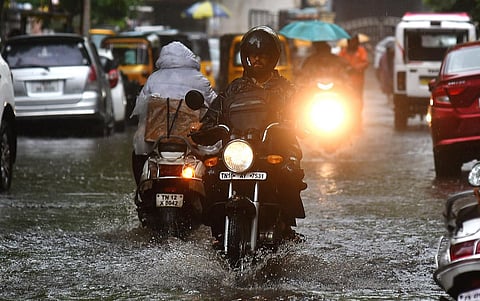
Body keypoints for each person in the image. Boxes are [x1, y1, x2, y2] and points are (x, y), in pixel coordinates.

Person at [198, 26, 307, 241]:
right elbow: (214, 114)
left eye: (263, 56)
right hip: (238, 152)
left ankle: (285, 226)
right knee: (208, 173)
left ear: (273, 58)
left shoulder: (286, 89)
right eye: (253, 56)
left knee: (289, 171)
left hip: (276, 148)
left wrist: (298, 123)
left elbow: (302, 114)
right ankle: (217, 228)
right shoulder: (234, 89)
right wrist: (202, 128)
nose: (257, 60)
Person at [131, 41, 217, 184]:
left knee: (137, 153)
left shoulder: (153, 79)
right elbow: (214, 106)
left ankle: (140, 190)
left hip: (156, 141)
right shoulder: (200, 80)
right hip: (192, 141)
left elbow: (141, 108)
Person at [339, 34, 369, 108]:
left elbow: (365, 62)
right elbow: (338, 62)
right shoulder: (343, 51)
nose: (352, 43)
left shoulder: (361, 51)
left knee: (357, 99)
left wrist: (355, 68)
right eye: (351, 41)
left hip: (358, 81)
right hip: (344, 81)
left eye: (354, 41)